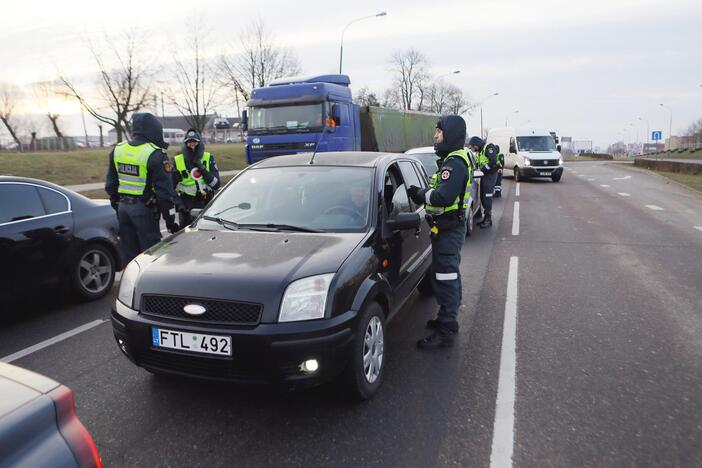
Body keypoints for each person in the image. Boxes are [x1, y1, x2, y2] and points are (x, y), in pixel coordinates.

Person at [407, 115, 471, 349]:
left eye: (439, 131)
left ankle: (446, 328)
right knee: (448, 275)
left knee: (446, 277)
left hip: (449, 229)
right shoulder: (452, 160)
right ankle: (447, 318)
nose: (435, 136)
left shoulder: (454, 163)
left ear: (450, 134)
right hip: (447, 227)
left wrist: (418, 193)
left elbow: (443, 196)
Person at [105, 112, 181, 263]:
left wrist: (117, 204)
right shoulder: (155, 154)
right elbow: (165, 193)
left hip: (123, 209)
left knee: (130, 254)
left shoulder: (118, 150)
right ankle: (151, 285)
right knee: (151, 255)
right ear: (154, 130)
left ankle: (131, 284)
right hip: (144, 211)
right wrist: (170, 221)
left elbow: (110, 185)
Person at [172, 129, 221, 227]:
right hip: (187, 206)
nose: (192, 144)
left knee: (208, 234)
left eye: (194, 141)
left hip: (206, 203)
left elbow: (216, 185)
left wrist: (201, 167)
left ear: (199, 143)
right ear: (185, 144)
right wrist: (179, 204)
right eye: (189, 142)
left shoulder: (208, 157)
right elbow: (169, 187)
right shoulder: (177, 160)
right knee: (187, 238)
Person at [469, 136, 499, 228]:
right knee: (482, 196)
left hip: (491, 175)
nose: (473, 149)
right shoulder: (479, 152)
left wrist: (483, 169)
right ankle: (486, 217)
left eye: (473, 146)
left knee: (487, 197)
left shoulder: (488, 147)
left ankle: (488, 219)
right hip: (484, 175)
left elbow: (493, 161)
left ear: (476, 144)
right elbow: (477, 165)